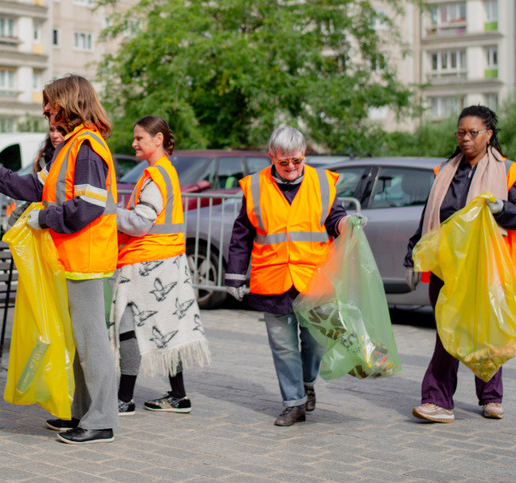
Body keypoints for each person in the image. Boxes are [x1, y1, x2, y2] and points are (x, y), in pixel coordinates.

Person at [0, 74, 120, 445]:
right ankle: (85, 414)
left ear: (68, 103)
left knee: (91, 342)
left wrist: (45, 217)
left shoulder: (86, 147)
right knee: (82, 342)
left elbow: (87, 206)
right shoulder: (73, 146)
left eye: (50, 103)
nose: (45, 110)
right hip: (71, 257)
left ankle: (100, 420)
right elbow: (37, 186)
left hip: (84, 258)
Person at [406, 105, 516, 424]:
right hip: (446, 266)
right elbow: (429, 216)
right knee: (446, 329)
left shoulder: (508, 171)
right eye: (460, 133)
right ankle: (437, 401)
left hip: (487, 265)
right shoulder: (444, 172)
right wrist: (413, 252)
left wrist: (501, 208)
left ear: (489, 134)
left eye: (472, 133)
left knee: (485, 329)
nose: (465, 138)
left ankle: (491, 397)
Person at [223, 125, 347, 427]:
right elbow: (242, 234)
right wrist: (235, 276)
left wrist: (346, 224)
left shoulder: (322, 182)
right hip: (273, 279)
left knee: (316, 341)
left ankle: (307, 383)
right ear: (271, 157)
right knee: (283, 345)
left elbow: (335, 217)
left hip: (315, 279)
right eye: (284, 162)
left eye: (297, 161)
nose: (291, 167)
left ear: (304, 156)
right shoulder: (255, 186)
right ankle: (294, 403)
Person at [112, 116, 210, 416]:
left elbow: (141, 222)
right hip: (165, 260)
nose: (133, 143)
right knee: (168, 328)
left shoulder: (156, 176)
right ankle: (178, 396)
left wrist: (107, 213)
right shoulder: (166, 172)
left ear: (157, 140)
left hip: (147, 261)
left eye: (139, 138)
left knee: (128, 326)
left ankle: (124, 399)